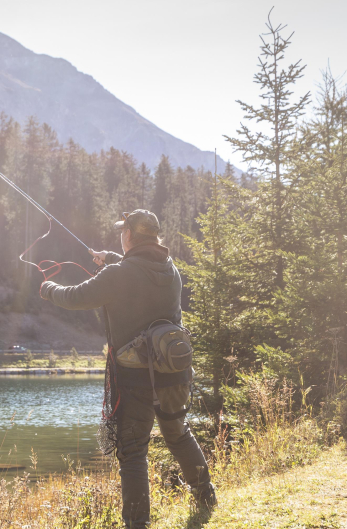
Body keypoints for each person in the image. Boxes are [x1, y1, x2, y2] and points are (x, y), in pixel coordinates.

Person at [39, 209, 216, 527]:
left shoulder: (119, 275)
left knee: (133, 451)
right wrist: (110, 258)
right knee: (178, 435)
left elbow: (77, 296)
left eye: (124, 231)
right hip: (174, 373)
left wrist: (49, 289)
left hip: (136, 377)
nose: (121, 235)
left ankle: (137, 523)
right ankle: (206, 494)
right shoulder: (170, 269)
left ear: (130, 236)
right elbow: (137, 272)